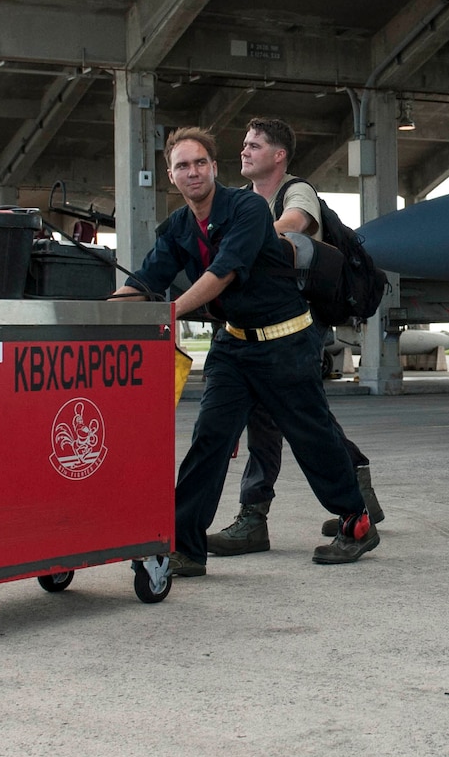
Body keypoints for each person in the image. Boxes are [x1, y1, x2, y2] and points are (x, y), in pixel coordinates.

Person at [111, 126, 379, 573]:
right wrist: (99, 314)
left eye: (200, 163)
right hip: (234, 347)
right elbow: (143, 282)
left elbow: (224, 272)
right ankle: (185, 547)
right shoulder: (179, 226)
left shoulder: (248, 208)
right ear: (171, 177)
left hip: (285, 343)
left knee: (312, 438)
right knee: (209, 441)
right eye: (182, 166)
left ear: (214, 168)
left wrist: (169, 312)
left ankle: (356, 521)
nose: (192, 172)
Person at [207, 117, 386, 556]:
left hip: (297, 324)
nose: (245, 151)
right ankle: (353, 486)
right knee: (296, 416)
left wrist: (247, 240)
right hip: (257, 325)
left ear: (278, 155)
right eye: (244, 144)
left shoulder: (294, 190)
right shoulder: (242, 200)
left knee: (283, 417)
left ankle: (255, 518)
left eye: (254, 145)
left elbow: (296, 223)